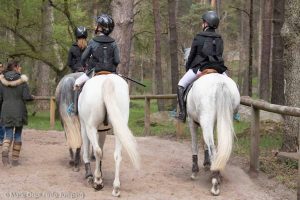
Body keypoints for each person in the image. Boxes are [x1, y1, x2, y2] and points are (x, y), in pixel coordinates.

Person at [176, 11, 228, 123]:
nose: (202, 24)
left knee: (180, 85)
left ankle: (182, 114)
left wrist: (189, 68)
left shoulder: (198, 37)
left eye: (203, 22)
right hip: (218, 69)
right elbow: (220, 54)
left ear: (206, 24)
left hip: (201, 68)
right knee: (231, 85)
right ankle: (231, 113)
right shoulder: (219, 38)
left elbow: (191, 56)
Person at [0, 60, 34, 166]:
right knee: (18, 134)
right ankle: (15, 160)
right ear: (15, 67)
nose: (20, 69)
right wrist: (31, 97)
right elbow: (26, 97)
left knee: (8, 133)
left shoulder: (1, 80)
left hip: (6, 109)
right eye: (19, 67)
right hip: (19, 110)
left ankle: (5, 153)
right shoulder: (22, 80)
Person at [74, 13, 120, 89]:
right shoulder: (113, 43)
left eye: (98, 25)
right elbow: (117, 60)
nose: (96, 26)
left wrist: (85, 67)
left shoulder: (93, 41)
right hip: (111, 73)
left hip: (94, 72)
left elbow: (83, 58)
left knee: (77, 82)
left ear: (100, 28)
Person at [0, 62, 5, 147]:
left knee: (2, 121)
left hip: (3, 102)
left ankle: (1, 139)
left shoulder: (5, 78)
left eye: (1, 67)